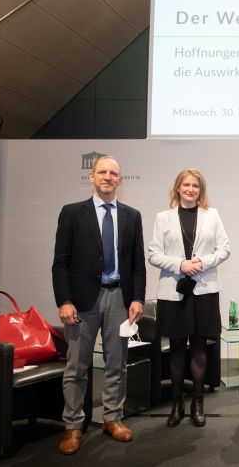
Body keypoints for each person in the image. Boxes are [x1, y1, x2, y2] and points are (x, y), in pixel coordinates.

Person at [52, 155, 146, 455]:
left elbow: (137, 264)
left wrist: (138, 298)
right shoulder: (72, 213)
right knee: (76, 366)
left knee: (117, 364)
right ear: (91, 177)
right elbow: (61, 263)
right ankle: (73, 426)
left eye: (113, 173)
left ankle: (112, 418)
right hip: (81, 303)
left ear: (120, 180)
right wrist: (64, 300)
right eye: (102, 172)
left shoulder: (132, 215)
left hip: (119, 297)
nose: (108, 177)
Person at [148, 168, 230, 428]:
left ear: (200, 190)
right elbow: (153, 254)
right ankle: (176, 404)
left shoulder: (212, 215)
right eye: (186, 185)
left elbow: (224, 249)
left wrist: (201, 263)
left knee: (198, 346)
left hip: (204, 289)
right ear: (178, 188)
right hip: (173, 291)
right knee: (175, 348)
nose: (190, 189)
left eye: (195, 185)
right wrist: (180, 264)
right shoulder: (163, 218)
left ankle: (197, 402)